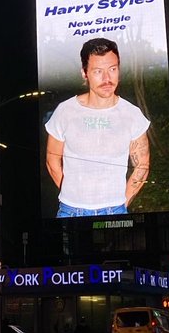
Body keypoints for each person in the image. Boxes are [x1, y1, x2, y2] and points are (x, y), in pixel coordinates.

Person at [45, 37, 151, 218]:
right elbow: (52, 161)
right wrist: (72, 196)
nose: (107, 78)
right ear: (84, 73)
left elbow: (142, 164)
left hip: (115, 210)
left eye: (112, 69)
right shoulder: (65, 111)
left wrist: (122, 203)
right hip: (69, 211)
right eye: (98, 71)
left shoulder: (132, 115)